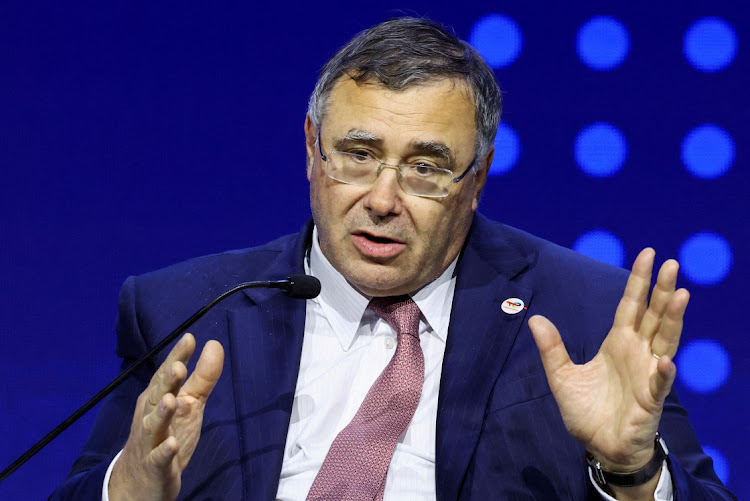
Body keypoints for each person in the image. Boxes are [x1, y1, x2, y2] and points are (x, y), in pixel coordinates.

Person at [52, 17, 735, 501]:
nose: (383, 199)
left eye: (426, 167)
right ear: (312, 150)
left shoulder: (585, 311)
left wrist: (632, 470)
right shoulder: (190, 310)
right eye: (359, 154)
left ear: (478, 177)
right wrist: (131, 490)